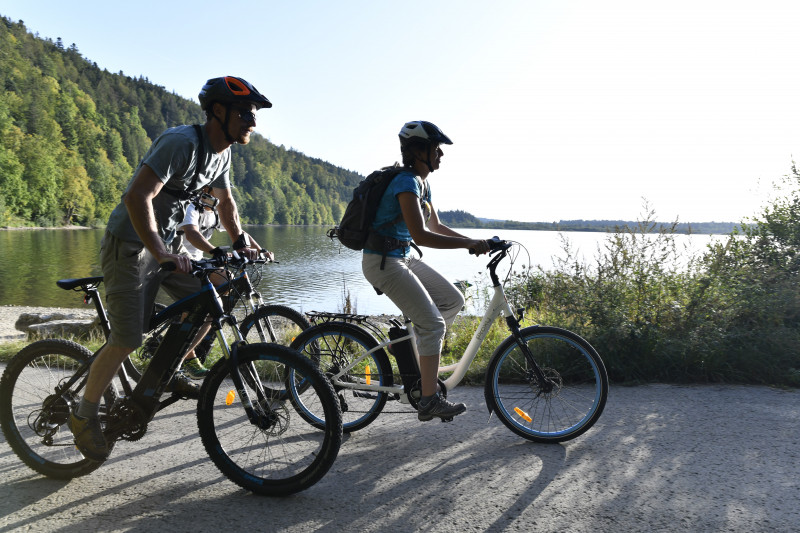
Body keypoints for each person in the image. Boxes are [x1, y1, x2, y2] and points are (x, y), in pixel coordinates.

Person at [68, 76, 273, 461]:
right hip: (131, 246)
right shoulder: (181, 143)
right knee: (127, 338)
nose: (253, 122)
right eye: (245, 113)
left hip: (168, 247)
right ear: (218, 111)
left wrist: (241, 242)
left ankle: (170, 366)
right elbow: (137, 196)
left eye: (254, 115)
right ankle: (83, 414)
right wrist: (161, 251)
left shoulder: (222, 153)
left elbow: (226, 203)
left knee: (219, 289)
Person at [361, 121, 490, 422]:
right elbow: (421, 235)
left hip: (402, 258)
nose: (441, 154)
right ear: (419, 151)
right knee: (433, 325)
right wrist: (467, 244)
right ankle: (428, 400)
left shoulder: (423, 184)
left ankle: (417, 354)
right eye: (436, 149)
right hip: (383, 261)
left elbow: (437, 226)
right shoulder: (406, 182)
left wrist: (474, 241)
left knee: (453, 300)